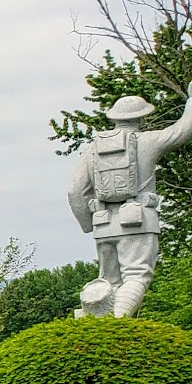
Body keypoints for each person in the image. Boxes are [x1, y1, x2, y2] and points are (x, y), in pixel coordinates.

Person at [67, 93, 192, 317]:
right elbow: (181, 131)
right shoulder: (146, 141)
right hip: (138, 220)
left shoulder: (93, 149)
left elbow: (75, 191)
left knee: (110, 282)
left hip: (103, 225)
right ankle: (119, 323)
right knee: (136, 276)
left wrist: (89, 225)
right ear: (141, 118)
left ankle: (98, 326)